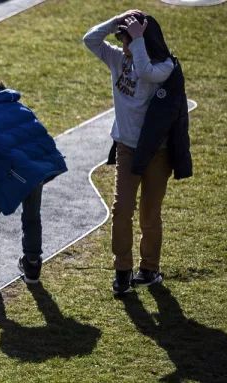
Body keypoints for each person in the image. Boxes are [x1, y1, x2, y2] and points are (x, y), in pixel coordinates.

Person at [83, 10, 191, 295]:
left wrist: (138, 39)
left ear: (146, 40)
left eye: (128, 40)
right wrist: (117, 20)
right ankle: (122, 271)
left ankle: (149, 269)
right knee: (121, 210)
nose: (124, 45)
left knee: (149, 214)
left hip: (159, 152)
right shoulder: (119, 59)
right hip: (127, 149)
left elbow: (146, 72)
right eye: (123, 39)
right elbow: (89, 39)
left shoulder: (164, 67)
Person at [0, 77, 67, 290]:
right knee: (32, 216)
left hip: (14, 173)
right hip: (37, 167)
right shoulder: (16, 106)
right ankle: (32, 264)